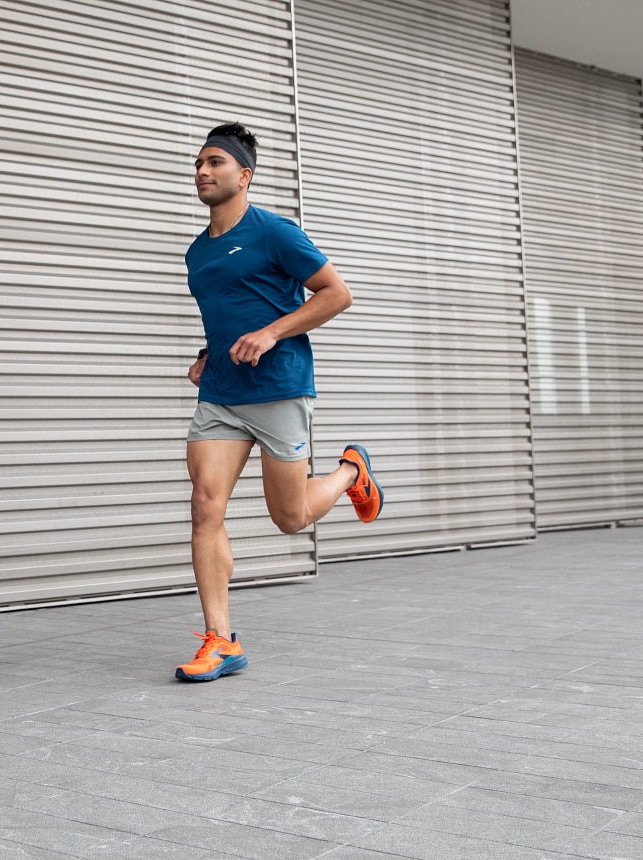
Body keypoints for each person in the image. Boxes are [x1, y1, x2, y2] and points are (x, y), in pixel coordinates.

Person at [176, 122, 382, 682]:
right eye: (199, 162)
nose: (203, 171)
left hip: (279, 388)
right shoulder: (198, 250)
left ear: (244, 175)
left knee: (289, 518)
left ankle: (349, 472)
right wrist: (205, 353)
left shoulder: (275, 233)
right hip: (221, 393)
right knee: (204, 505)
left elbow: (337, 294)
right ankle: (220, 640)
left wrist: (271, 333)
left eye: (215, 162)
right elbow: (229, 312)